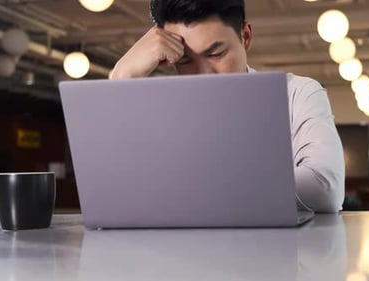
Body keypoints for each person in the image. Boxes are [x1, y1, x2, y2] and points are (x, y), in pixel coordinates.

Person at [111, 0, 345, 212]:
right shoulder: (156, 109)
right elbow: (116, 190)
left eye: (215, 53)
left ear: (245, 37)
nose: (204, 75)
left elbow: (325, 188)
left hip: (277, 253)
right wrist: (123, 75)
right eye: (184, 60)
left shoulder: (297, 93)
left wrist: (190, 187)